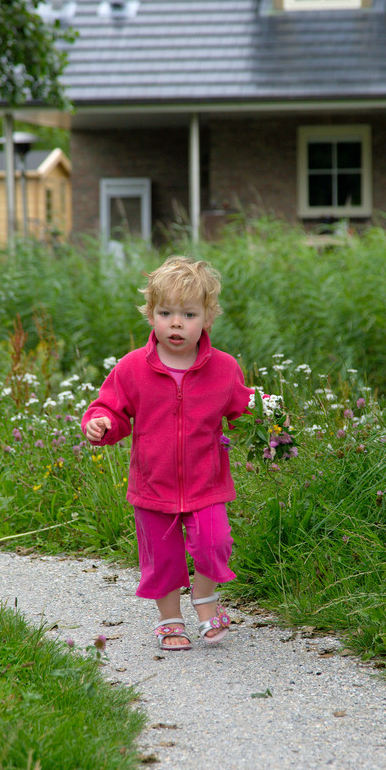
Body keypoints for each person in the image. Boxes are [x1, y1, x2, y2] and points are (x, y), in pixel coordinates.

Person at [81, 256, 252, 650]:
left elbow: (245, 412)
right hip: (153, 485)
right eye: (166, 312)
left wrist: (271, 431)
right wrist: (101, 423)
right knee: (162, 558)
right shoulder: (132, 368)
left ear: (207, 318)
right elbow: (112, 408)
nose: (176, 323)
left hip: (206, 482)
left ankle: (206, 600)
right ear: (151, 315)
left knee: (215, 543)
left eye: (188, 314)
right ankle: (170, 619)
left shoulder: (224, 369)